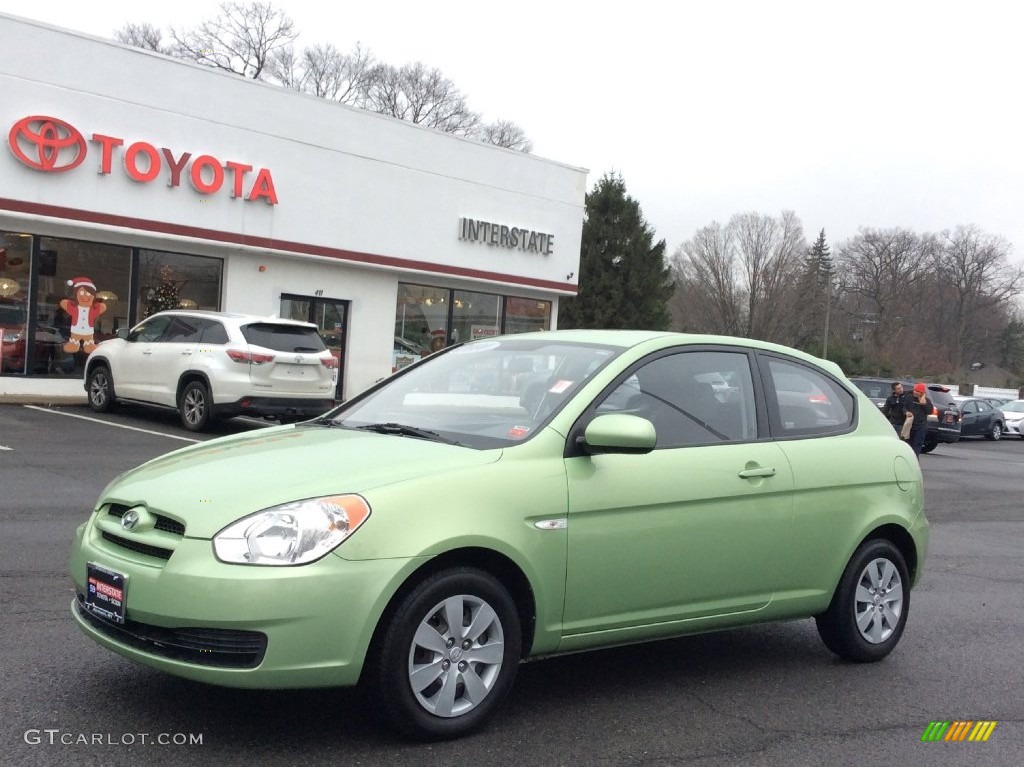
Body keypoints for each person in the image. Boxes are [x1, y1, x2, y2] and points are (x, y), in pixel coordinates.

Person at [903, 382, 932, 456]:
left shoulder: (927, 401)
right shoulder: (909, 397)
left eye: (918, 392)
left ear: (922, 393)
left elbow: (930, 411)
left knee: (917, 446)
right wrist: (906, 412)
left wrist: (923, 403)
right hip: (910, 425)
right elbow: (903, 407)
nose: (915, 392)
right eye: (915, 390)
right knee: (908, 444)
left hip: (920, 427)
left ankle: (915, 460)